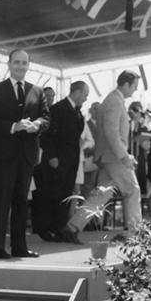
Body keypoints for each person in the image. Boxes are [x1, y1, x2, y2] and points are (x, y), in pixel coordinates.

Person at [59, 70, 142, 243]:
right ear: (126, 84)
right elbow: (112, 133)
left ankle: (72, 227)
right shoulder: (114, 101)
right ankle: (135, 233)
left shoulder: (114, 100)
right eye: (134, 86)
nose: (135, 90)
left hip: (109, 157)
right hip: (114, 158)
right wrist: (124, 156)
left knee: (100, 196)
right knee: (133, 190)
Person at [0, 49, 50, 259]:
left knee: (21, 202)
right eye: (17, 62)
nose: (20, 66)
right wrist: (14, 126)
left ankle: (19, 247)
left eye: (24, 63)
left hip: (26, 154)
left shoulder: (37, 90)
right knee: (1, 202)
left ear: (28, 65)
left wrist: (37, 125)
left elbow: (46, 118)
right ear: (9, 63)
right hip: (3, 154)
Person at [33, 80, 89, 242]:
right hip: (56, 161)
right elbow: (46, 135)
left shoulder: (77, 112)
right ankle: (46, 228)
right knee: (52, 194)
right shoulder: (57, 109)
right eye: (85, 94)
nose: (85, 98)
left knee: (65, 194)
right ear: (77, 92)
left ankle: (59, 227)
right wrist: (51, 156)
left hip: (70, 162)